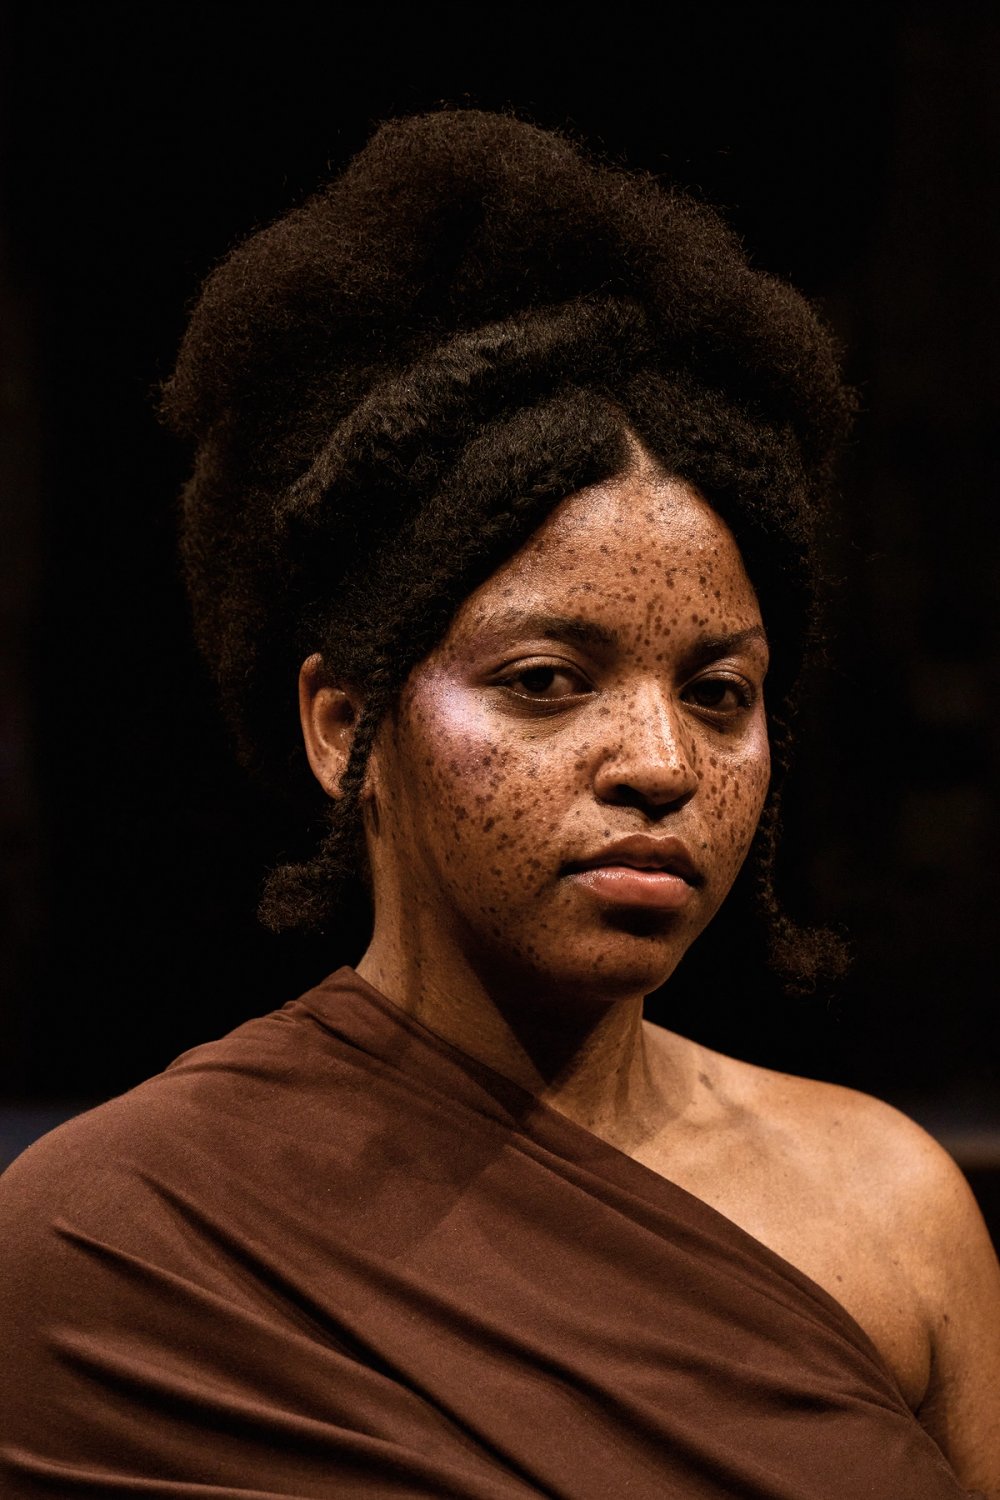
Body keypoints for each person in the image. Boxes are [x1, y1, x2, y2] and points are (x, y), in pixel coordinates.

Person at [1, 110, 997, 1499]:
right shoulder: (108, 1242)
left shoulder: (891, 1209)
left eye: (719, 693)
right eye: (545, 682)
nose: (661, 760)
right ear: (344, 727)